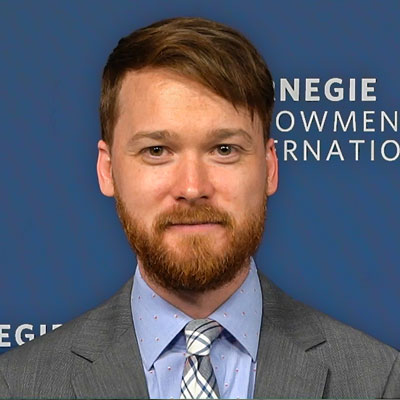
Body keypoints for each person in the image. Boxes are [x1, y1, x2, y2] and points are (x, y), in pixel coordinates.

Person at [0, 16, 399, 400]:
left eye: (224, 149)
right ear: (108, 171)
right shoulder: (19, 385)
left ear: (270, 167)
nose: (192, 188)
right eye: (157, 151)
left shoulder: (378, 380)